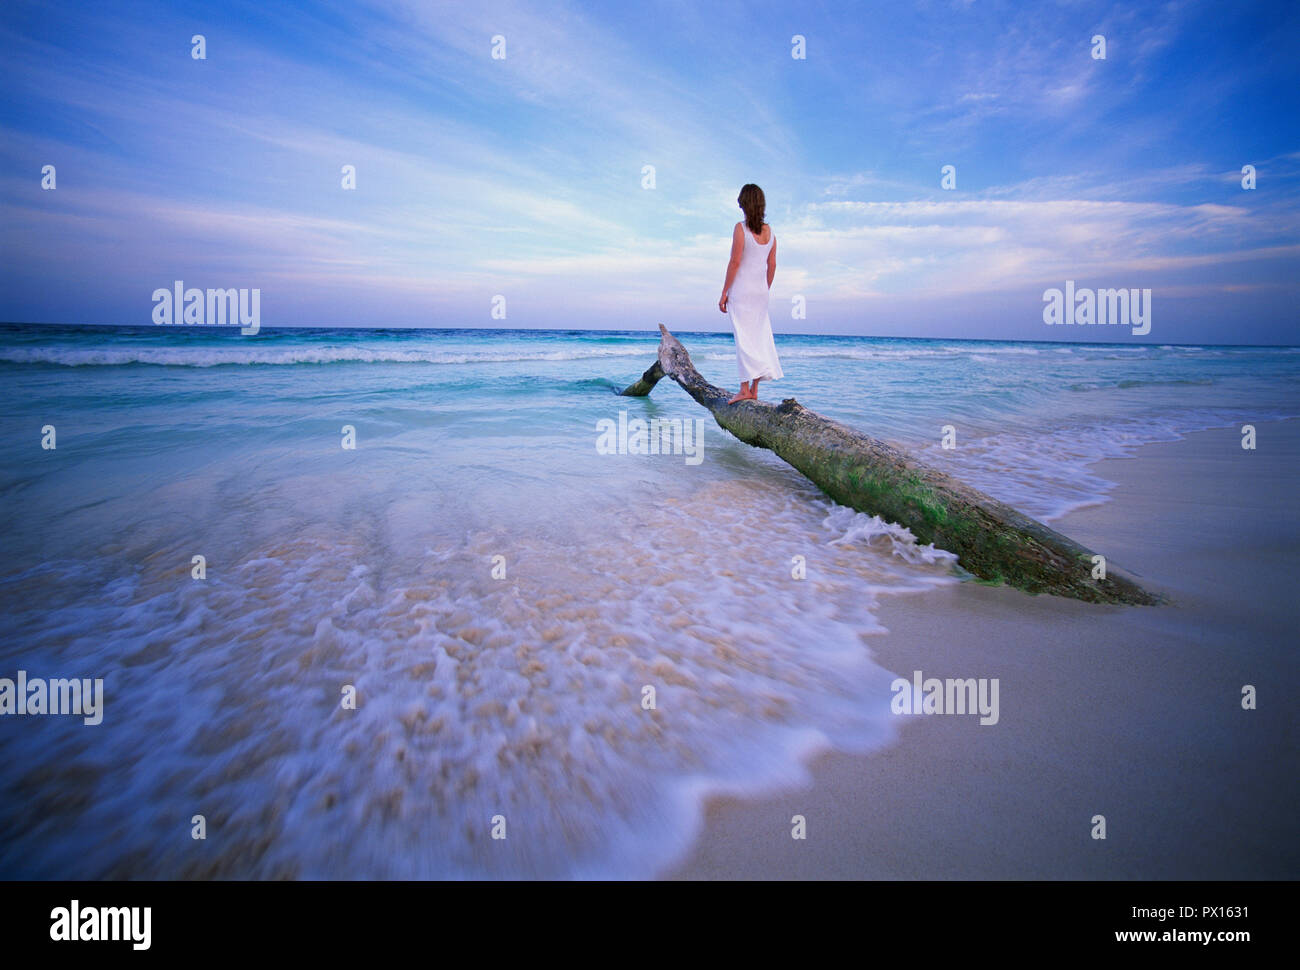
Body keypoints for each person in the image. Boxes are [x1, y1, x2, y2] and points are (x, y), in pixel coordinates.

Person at [718, 183, 783, 404]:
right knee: (758, 337)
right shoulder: (771, 232)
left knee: (743, 339)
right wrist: (765, 288)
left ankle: (744, 389)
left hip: (742, 291)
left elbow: (735, 262)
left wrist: (724, 292)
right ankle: (754, 390)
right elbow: (772, 265)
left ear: (745, 204)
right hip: (760, 292)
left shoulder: (740, 228)